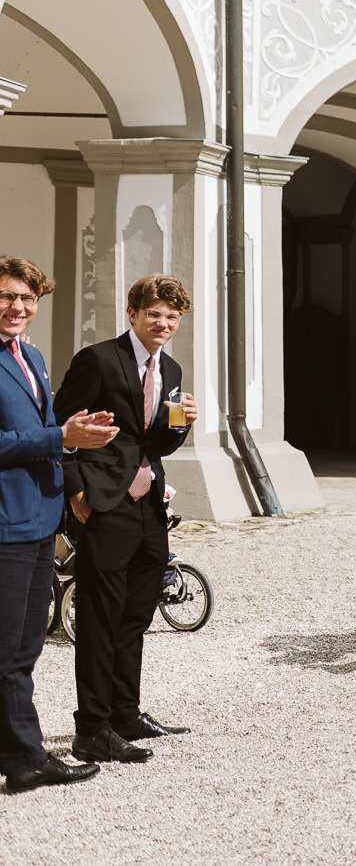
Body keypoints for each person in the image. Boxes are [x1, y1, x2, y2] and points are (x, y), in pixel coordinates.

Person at [53, 274, 198, 766]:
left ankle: (125, 712)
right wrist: (76, 492)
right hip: (103, 503)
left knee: (136, 614)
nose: (163, 323)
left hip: (148, 505)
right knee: (99, 618)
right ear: (134, 314)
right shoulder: (98, 359)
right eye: (154, 313)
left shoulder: (172, 367)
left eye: (171, 316)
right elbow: (62, 426)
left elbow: (154, 442)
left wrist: (181, 425)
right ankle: (92, 729)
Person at [0, 257, 118, 793]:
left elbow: (47, 426)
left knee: (25, 646)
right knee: (9, 650)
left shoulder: (32, 355)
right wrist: (59, 438)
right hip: (5, 523)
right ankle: (25, 760)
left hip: (38, 516)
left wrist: (76, 432)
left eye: (26, 299)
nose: (17, 308)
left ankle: (19, 752)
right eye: (5, 297)